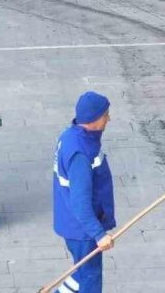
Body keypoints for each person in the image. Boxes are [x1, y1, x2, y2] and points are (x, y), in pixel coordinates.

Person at [53, 91, 115, 293]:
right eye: (106, 115)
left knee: (81, 272)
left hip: (74, 224)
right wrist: (98, 234)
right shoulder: (80, 153)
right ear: (94, 119)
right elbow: (80, 202)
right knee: (90, 279)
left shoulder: (71, 136)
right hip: (83, 230)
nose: (109, 118)